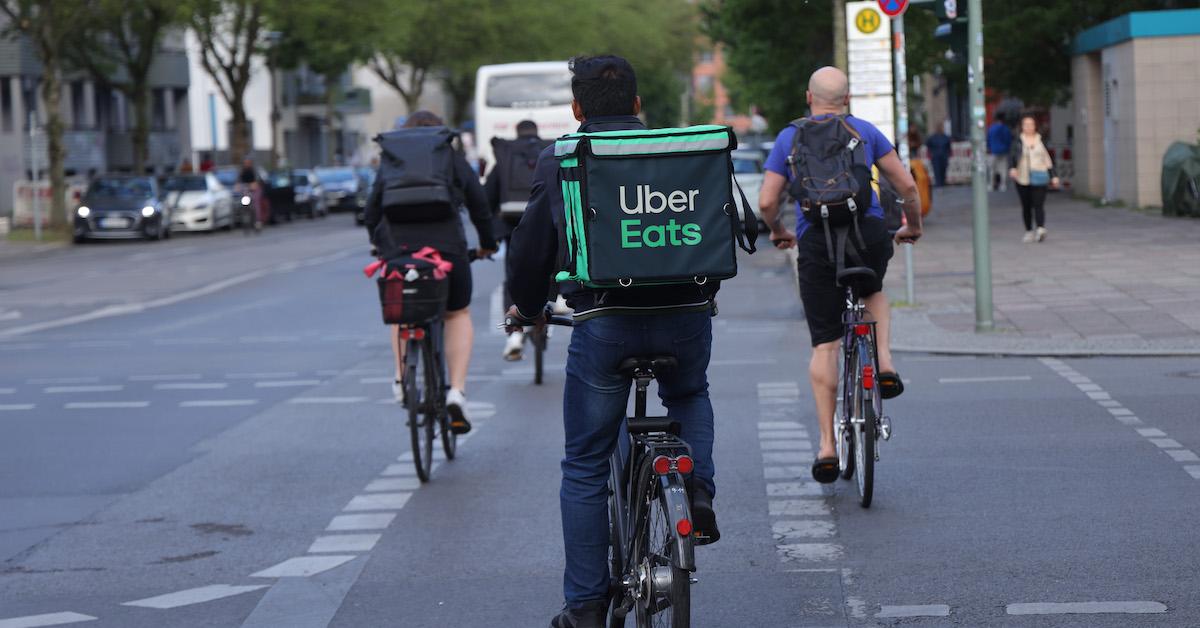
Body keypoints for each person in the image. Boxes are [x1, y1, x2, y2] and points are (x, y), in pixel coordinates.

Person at [504, 55, 721, 628]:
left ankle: (587, 607)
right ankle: (697, 489)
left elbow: (531, 247)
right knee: (689, 394)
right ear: (638, 105)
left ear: (576, 110)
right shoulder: (681, 150)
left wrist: (526, 309)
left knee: (584, 463)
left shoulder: (565, 158)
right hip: (685, 313)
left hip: (604, 322)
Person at [759, 66, 922, 485]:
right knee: (874, 291)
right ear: (847, 100)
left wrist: (780, 232)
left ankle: (828, 447)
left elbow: (766, 202)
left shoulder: (787, 137)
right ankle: (884, 361)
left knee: (826, 344)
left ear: (808, 97)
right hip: (866, 234)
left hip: (816, 243)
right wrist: (912, 224)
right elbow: (906, 185)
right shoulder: (866, 131)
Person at [364, 110, 498, 433]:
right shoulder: (449, 158)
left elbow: (372, 209)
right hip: (447, 250)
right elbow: (479, 203)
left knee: (402, 312)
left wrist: (377, 244)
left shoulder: (392, 159)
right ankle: (456, 392)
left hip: (398, 250)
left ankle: (400, 379)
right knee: (457, 313)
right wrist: (487, 244)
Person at [486, 119, 547, 361]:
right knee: (548, 267)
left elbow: (487, 196)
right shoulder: (548, 151)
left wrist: (490, 233)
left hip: (512, 224)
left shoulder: (505, 155)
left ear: (516, 131)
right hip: (545, 221)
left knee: (513, 277)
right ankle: (550, 313)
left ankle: (514, 334)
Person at [1008, 114, 1059, 243]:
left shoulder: (1042, 141)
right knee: (1026, 205)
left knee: (1039, 204)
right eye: (1026, 124)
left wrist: (1053, 176)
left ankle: (1040, 228)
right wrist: (1013, 168)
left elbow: (1048, 159)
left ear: (1035, 126)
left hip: (1039, 176)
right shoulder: (1017, 141)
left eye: (1031, 124)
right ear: (1022, 127)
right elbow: (1012, 157)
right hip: (1022, 177)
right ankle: (1029, 230)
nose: (1028, 127)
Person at [987, 116, 1013, 192]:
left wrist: (989, 148)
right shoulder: (1006, 129)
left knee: (992, 169)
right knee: (1003, 169)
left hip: (993, 151)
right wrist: (1007, 148)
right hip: (1003, 151)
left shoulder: (991, 129)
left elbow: (988, 139)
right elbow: (1009, 140)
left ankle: (991, 184)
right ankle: (1003, 185)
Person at [236, 158, 263, 228]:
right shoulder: (242, 171)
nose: (247, 164)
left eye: (248, 162)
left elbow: (258, 180)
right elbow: (238, 181)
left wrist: (255, 184)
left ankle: (258, 221)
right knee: (243, 200)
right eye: (245, 163)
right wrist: (237, 186)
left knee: (255, 203)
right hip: (246, 189)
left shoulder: (254, 171)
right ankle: (244, 215)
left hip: (255, 189)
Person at [925, 122, 951, 187]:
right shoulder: (932, 138)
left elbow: (948, 147)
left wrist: (948, 154)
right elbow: (928, 146)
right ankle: (938, 184)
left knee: (943, 170)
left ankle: (943, 182)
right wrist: (930, 154)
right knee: (937, 170)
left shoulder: (945, 137)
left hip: (944, 156)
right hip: (935, 157)